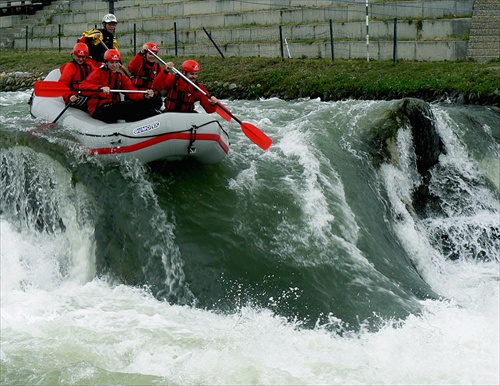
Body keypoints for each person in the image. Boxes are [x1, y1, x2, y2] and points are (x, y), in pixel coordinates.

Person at [79, 49, 159, 123]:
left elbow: (133, 93)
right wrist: (100, 88)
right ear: (106, 62)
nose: (114, 65)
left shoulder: (120, 77)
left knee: (136, 104)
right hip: (99, 109)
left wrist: (145, 96)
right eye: (112, 62)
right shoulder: (97, 73)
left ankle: (154, 120)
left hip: (113, 106)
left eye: (116, 62)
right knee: (127, 105)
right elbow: (83, 87)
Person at [152, 59, 219, 114]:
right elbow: (156, 86)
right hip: (170, 113)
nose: (194, 77)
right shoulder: (173, 79)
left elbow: (209, 110)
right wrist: (165, 71)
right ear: (184, 72)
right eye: (192, 74)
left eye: (196, 74)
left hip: (187, 115)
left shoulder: (198, 88)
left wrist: (212, 104)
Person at [58, 42, 98, 111]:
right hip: (74, 97)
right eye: (78, 57)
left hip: (86, 95)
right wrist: (69, 96)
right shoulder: (70, 66)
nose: (81, 59)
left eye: (83, 57)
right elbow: (62, 85)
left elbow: (99, 74)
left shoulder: (89, 66)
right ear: (74, 55)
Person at [127, 41, 163, 110]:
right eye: (150, 54)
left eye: (154, 54)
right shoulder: (139, 63)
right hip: (136, 94)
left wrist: (166, 71)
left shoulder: (158, 68)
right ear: (145, 54)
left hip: (149, 95)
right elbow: (131, 68)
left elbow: (163, 82)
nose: (152, 56)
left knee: (158, 101)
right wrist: (141, 52)